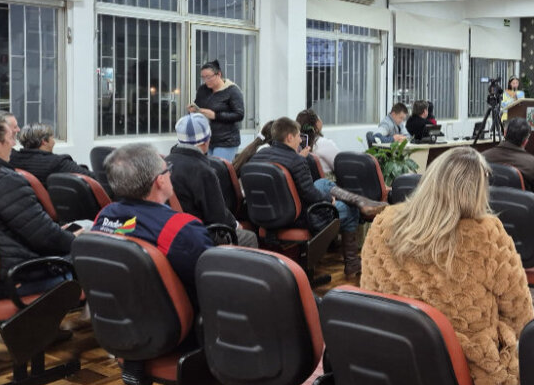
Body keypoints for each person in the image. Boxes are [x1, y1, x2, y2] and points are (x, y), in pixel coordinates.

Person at [360, 147, 533, 385]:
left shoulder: (383, 223)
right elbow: (519, 311)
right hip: (467, 371)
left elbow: (369, 289)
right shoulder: (486, 233)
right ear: (477, 190)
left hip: (392, 357)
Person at [0, 115, 76, 298]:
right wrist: (78, 239)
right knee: (99, 259)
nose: (13, 144)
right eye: (10, 138)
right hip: (16, 279)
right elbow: (46, 238)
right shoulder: (4, 181)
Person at [248, 117, 387, 276]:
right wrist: (329, 200)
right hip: (300, 218)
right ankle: (352, 262)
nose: (301, 140)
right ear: (289, 137)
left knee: (322, 182)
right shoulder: (296, 160)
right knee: (350, 209)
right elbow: (309, 194)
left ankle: (362, 202)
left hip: (267, 215)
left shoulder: (258, 156)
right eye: (299, 136)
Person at [90, 143, 214, 305]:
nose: (170, 173)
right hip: (170, 316)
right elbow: (212, 280)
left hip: (116, 310)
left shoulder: (104, 216)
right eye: (168, 169)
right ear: (160, 181)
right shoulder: (182, 230)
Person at [165, 113, 257, 248]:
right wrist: (236, 225)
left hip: (174, 230)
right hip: (201, 234)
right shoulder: (204, 171)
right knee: (249, 237)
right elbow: (218, 216)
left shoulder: (165, 162)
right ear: (206, 141)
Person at [190, 60, 244, 162]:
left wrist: (216, 115)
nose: (206, 81)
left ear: (218, 74)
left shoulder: (232, 91)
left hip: (226, 140)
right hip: (206, 139)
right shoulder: (203, 89)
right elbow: (198, 105)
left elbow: (239, 115)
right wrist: (194, 110)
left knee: (218, 168)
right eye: (203, 77)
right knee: (207, 169)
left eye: (208, 77)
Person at [10, 123, 95, 185]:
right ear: (44, 141)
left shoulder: (13, 158)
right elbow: (92, 177)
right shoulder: (57, 163)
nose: (54, 142)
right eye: (52, 138)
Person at [482, 117, 534, 195]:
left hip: (488, 201)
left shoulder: (483, 157)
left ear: (505, 133)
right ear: (525, 141)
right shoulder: (533, 164)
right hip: (520, 202)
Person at [296, 109, 339, 176]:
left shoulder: (296, 144)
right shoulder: (323, 143)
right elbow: (340, 164)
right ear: (317, 123)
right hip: (327, 181)